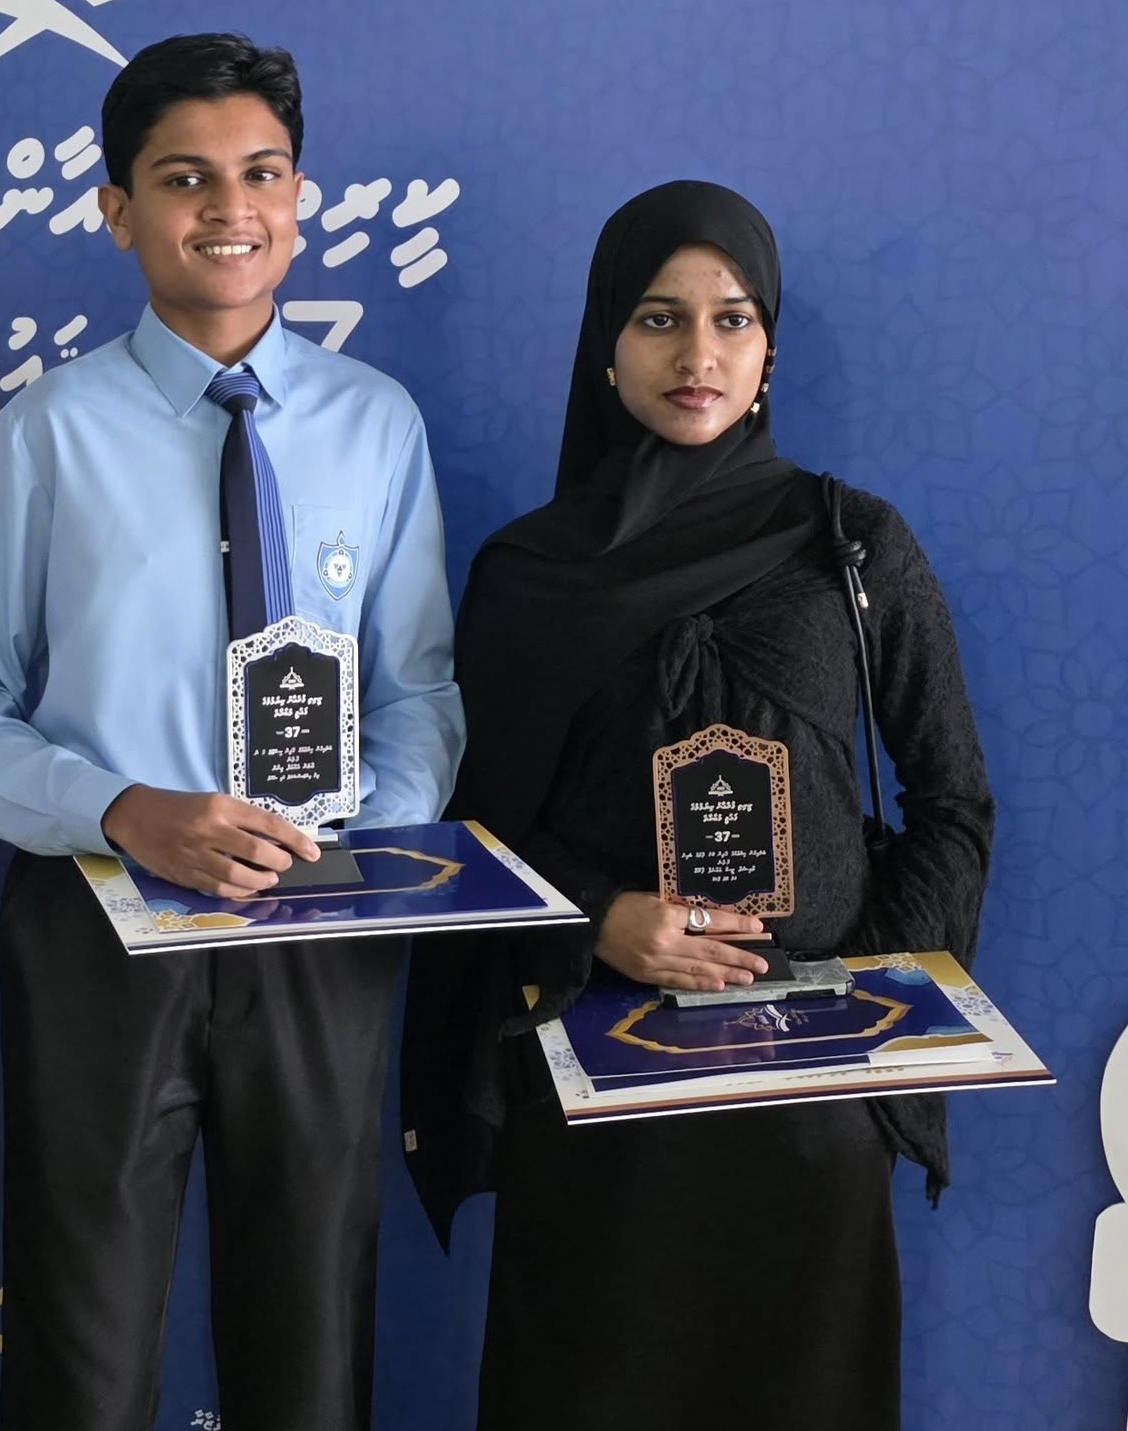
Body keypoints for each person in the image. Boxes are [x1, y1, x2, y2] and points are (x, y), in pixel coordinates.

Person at [0, 32, 466, 1431]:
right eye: (183, 178)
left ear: (300, 197)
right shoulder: (49, 431)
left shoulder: (375, 424)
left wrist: (356, 834)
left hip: (319, 926)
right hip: (100, 925)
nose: (229, 208)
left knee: (310, 1334)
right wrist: (121, 810)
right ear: (118, 210)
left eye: (260, 173)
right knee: (81, 1339)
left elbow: (417, 691)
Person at [399, 180, 994, 1431]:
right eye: (659, 318)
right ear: (606, 345)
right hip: (598, 1082)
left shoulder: (852, 544)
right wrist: (598, 917)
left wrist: (866, 1011)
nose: (697, 354)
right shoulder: (531, 571)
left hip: (809, 1105)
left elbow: (951, 800)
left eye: (731, 317)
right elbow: (471, 825)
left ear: (768, 346)